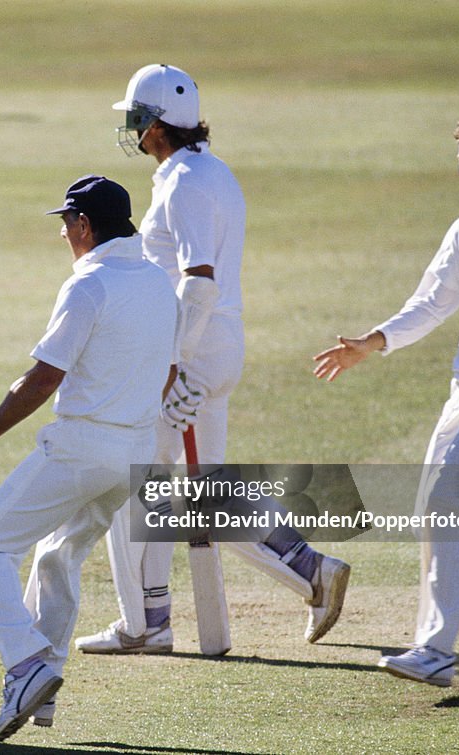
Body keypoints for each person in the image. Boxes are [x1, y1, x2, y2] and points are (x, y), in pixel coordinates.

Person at [76, 64, 350, 656]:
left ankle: (144, 624)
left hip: (191, 352)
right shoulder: (207, 172)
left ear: (154, 123)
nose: (130, 127)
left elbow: (199, 280)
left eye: (134, 117)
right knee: (203, 493)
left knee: (129, 486)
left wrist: (170, 361)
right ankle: (311, 571)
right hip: (214, 347)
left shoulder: (186, 182)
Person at [313, 105, 459, 687]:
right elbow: (432, 302)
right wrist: (374, 342)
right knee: (434, 515)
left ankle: (434, 650)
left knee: (445, 506)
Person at [0, 176, 178, 742]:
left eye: (65, 222)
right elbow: (169, 372)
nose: (61, 233)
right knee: (56, 555)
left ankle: (28, 666)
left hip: (82, 448)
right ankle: (41, 701)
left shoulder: (89, 285)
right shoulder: (157, 282)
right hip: (135, 454)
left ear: (83, 225)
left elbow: (45, 376)